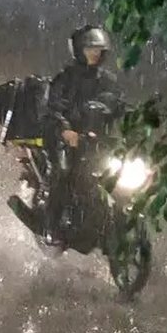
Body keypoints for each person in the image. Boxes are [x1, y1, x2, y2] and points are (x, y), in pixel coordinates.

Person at [41, 24, 123, 242]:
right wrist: (65, 130)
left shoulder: (107, 80)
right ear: (78, 50)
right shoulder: (65, 79)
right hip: (67, 139)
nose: (95, 53)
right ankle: (51, 227)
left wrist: (139, 120)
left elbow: (119, 105)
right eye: (90, 48)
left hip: (95, 141)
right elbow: (53, 107)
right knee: (63, 172)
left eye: (98, 49)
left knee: (118, 176)